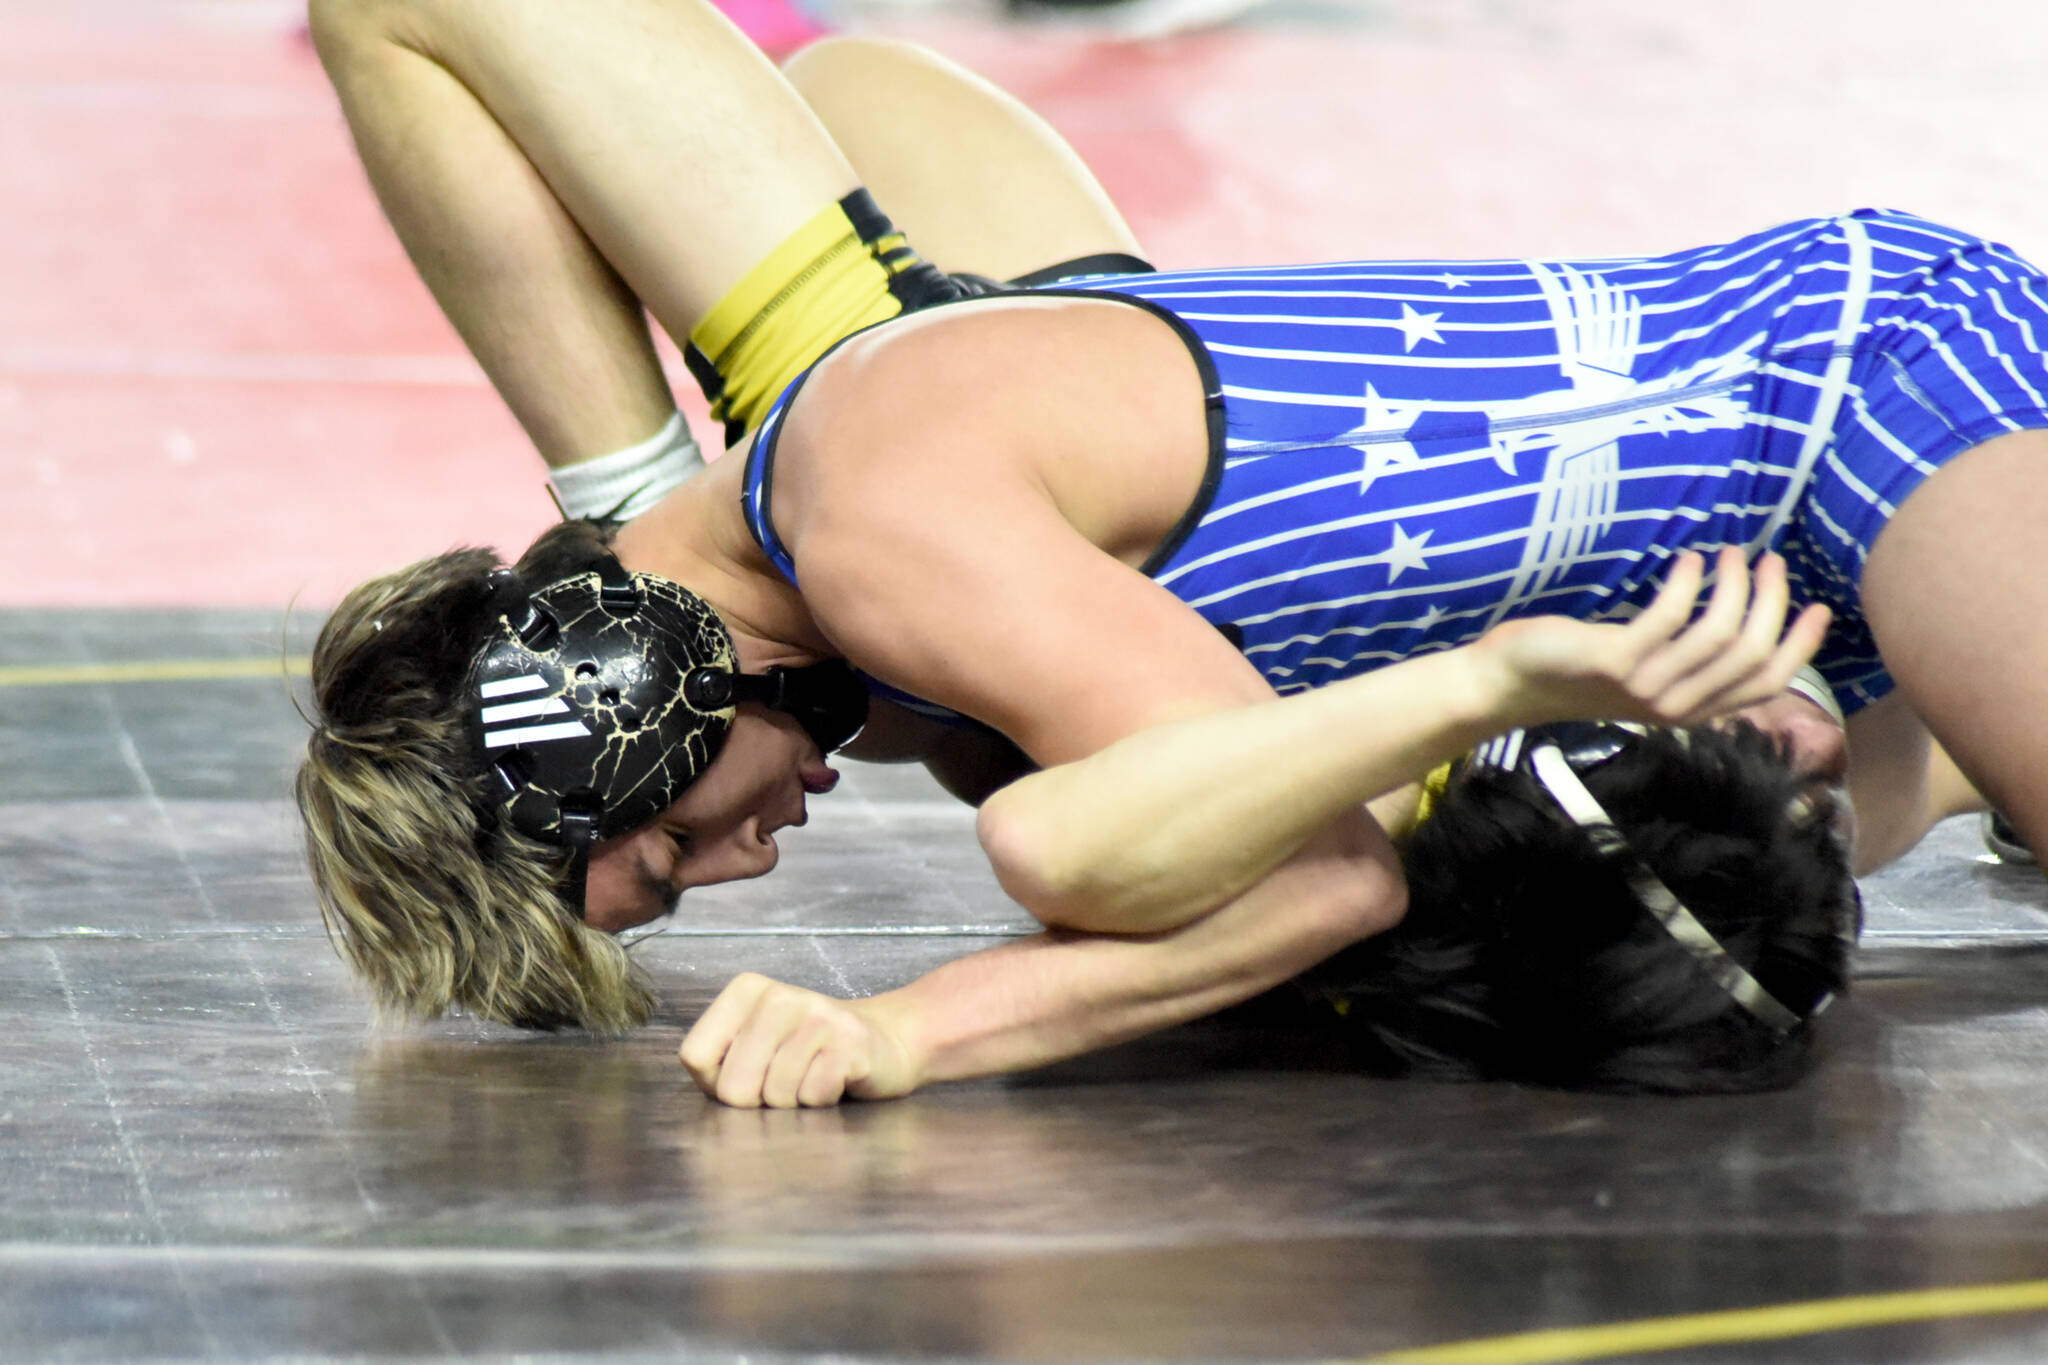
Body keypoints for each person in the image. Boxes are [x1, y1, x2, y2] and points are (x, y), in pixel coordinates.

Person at [300, 0, 2033, 1106]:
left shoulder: (883, 515)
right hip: (1768, 608)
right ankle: (1951, 767)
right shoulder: (850, 514)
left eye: (679, 844)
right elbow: (863, 87)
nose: (750, 868)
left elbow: (1316, 879)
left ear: (632, 685)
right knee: (1475, 862)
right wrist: (644, 500)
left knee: (1118, 842)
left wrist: (909, 1030)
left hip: (1862, 403)